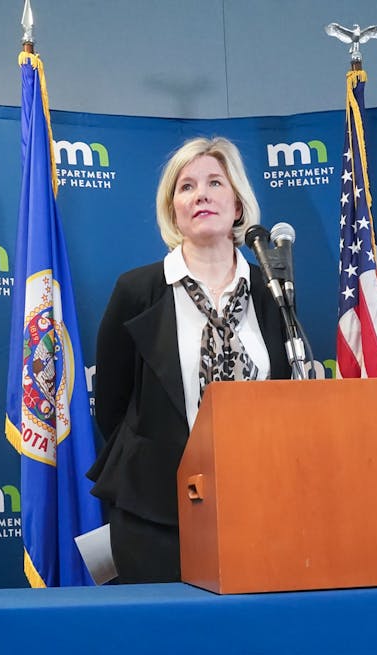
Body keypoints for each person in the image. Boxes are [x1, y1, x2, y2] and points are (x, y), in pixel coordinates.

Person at [88, 137, 290, 583]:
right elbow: (112, 406)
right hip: (155, 516)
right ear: (173, 209)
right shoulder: (137, 291)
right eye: (187, 187)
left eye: (215, 183)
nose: (201, 194)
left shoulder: (273, 293)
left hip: (260, 505)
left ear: (237, 205)